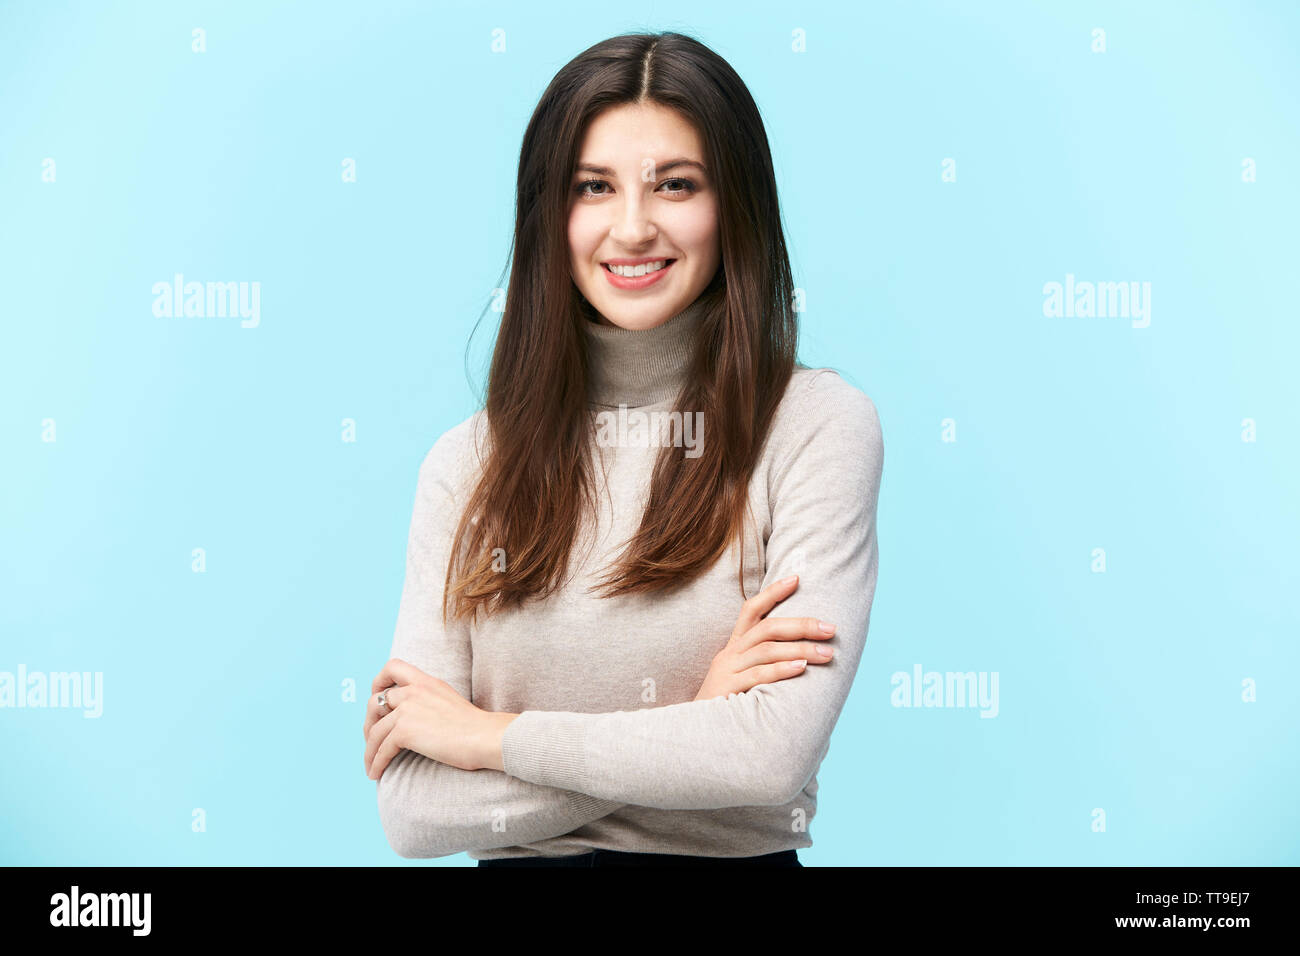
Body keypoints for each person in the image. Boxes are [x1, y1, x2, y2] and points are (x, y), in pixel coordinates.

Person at [362, 30, 884, 867]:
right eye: (593, 187)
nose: (633, 227)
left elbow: (766, 757)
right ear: (550, 214)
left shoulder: (814, 425)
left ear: (734, 206)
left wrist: (487, 738)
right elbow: (416, 813)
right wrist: (693, 720)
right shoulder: (465, 467)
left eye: (675, 185)